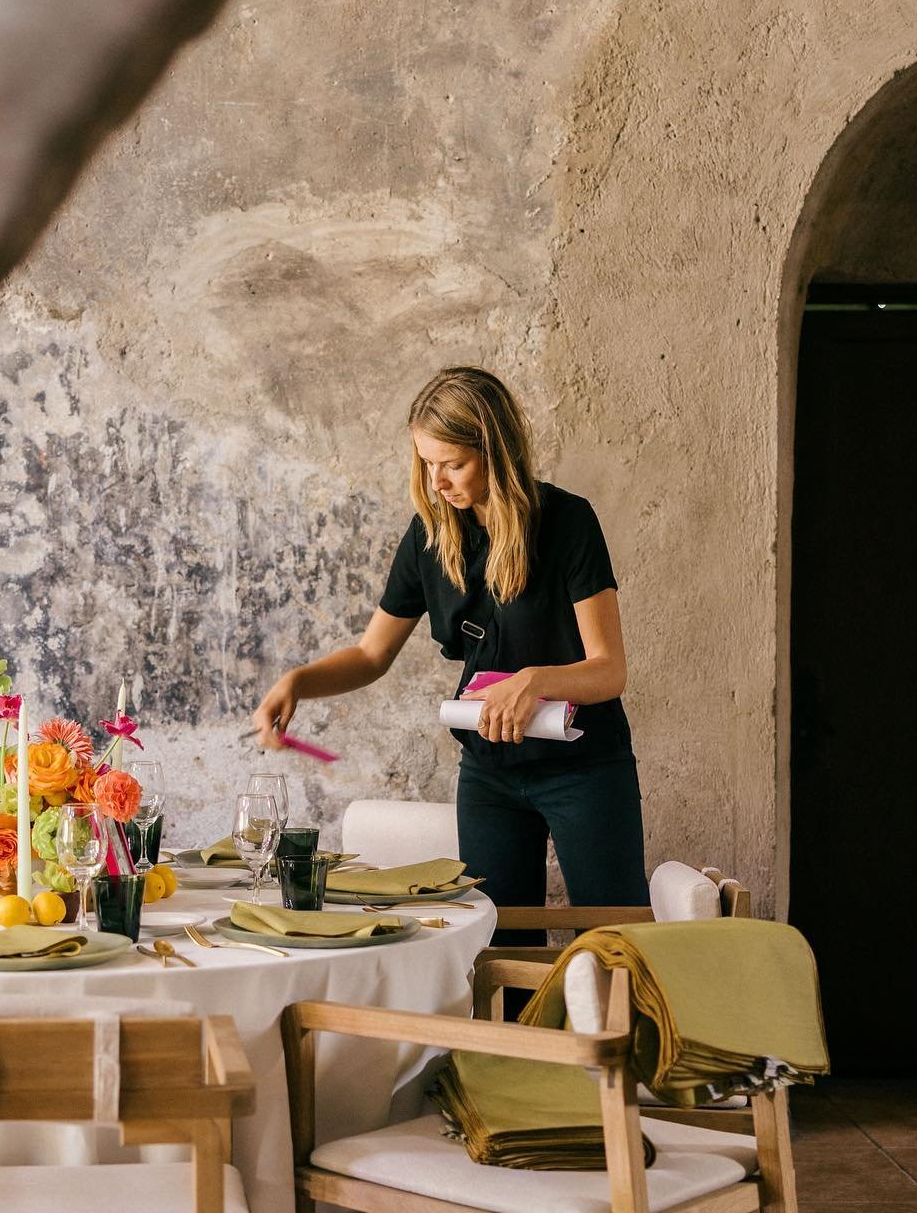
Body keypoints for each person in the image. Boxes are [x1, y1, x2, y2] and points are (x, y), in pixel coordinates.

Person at [252, 365, 649, 930]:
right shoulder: (429, 536)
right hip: (489, 770)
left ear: (496, 451)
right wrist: (297, 682)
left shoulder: (569, 523)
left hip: (584, 768)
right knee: (494, 946)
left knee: (615, 942)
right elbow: (371, 655)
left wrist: (534, 680)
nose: (436, 482)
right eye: (426, 463)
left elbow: (609, 671)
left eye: (453, 464)